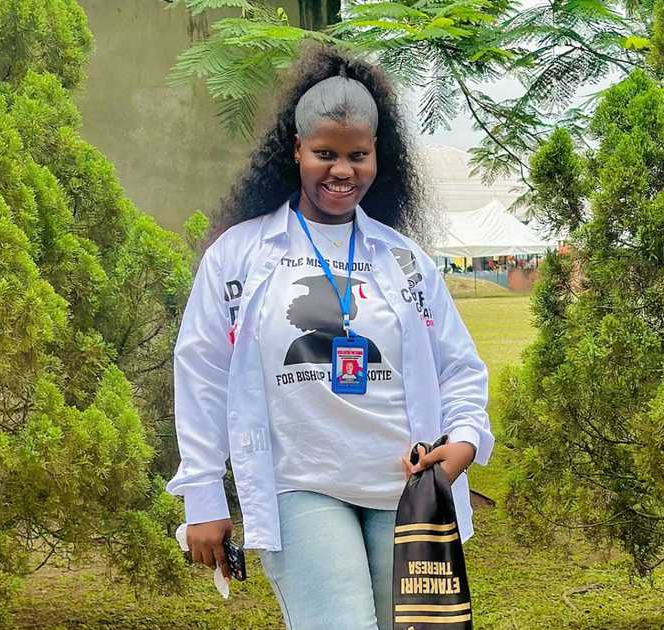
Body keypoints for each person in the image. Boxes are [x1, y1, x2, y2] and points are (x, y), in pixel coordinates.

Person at [166, 44, 493, 630]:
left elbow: (459, 367)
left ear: (375, 156)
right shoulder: (239, 256)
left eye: (357, 156)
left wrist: (466, 440)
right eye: (324, 154)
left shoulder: (404, 259)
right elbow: (201, 376)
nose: (342, 171)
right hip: (302, 482)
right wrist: (204, 499)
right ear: (295, 150)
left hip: (408, 488)